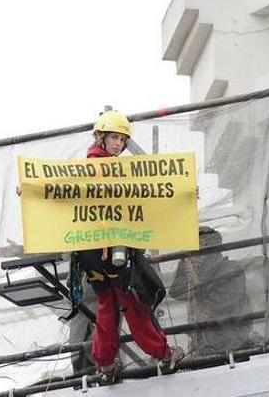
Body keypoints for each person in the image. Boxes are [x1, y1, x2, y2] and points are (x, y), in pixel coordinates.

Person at [70, 110, 183, 383]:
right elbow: (151, 195)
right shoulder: (110, 171)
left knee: (107, 307)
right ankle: (162, 353)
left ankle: (106, 364)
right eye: (114, 138)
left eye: (122, 139)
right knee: (134, 303)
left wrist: (30, 190)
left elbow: (57, 191)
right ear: (101, 138)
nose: (118, 144)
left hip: (91, 255)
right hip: (112, 252)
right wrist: (183, 193)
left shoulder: (82, 170)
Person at [169, 226, 252, 358]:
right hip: (202, 349)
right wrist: (184, 261)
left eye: (200, 248)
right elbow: (175, 291)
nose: (196, 254)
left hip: (231, 348)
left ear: (212, 249)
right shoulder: (198, 273)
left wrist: (196, 281)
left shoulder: (230, 269)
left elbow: (222, 304)